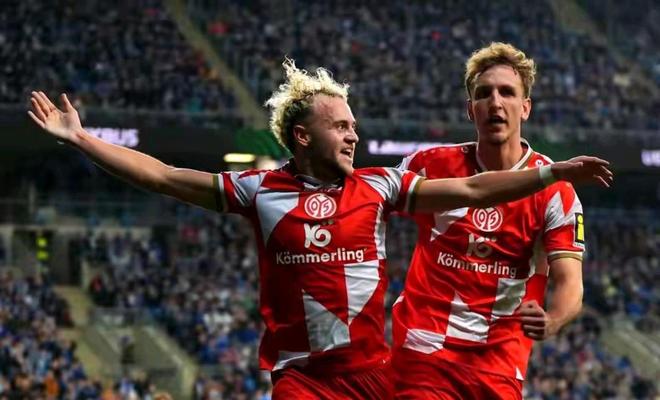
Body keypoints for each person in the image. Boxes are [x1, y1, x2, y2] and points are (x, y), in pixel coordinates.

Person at [28, 59, 611, 400]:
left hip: (377, 376)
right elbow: (161, 176)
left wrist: (552, 173)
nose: (354, 135)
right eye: (341, 126)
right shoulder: (259, 192)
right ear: (304, 137)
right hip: (303, 381)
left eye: (355, 126)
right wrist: (82, 138)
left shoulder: (379, 187)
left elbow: (472, 190)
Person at [391, 42, 600, 399]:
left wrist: (553, 320)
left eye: (507, 92)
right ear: (470, 109)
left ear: (525, 107)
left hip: (500, 361)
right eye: (484, 94)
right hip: (424, 347)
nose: (495, 102)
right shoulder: (428, 166)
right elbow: (366, 203)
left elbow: (570, 281)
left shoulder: (556, 192)